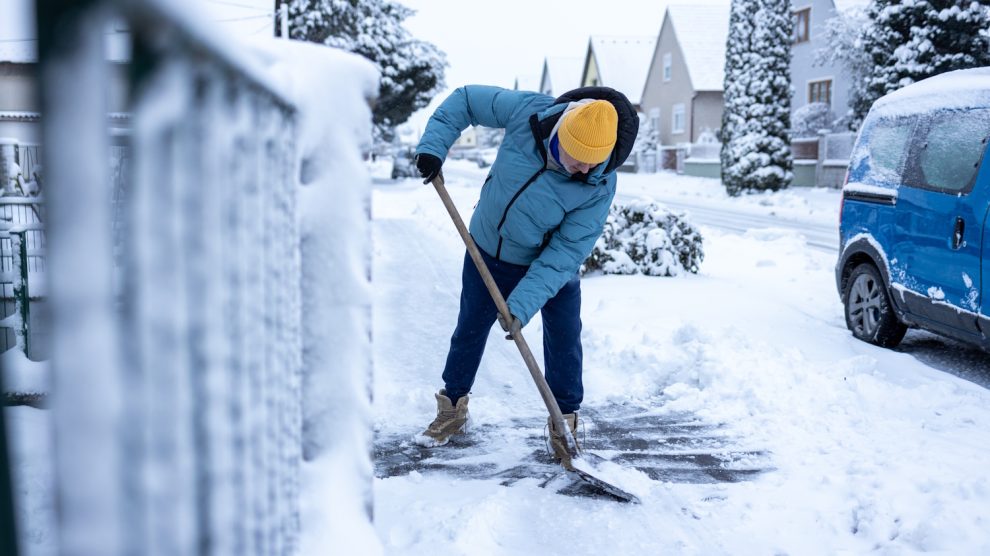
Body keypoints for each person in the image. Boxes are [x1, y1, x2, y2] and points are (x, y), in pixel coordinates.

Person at [412, 85, 637, 468]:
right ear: (560, 132)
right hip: (486, 247)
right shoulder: (529, 112)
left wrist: (521, 305)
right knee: (470, 327)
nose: (583, 170)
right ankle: (452, 409)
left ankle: (564, 424)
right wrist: (434, 147)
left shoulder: (600, 183)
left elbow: (565, 252)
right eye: (576, 159)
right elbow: (465, 100)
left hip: (549, 265)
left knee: (565, 338)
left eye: (592, 163)